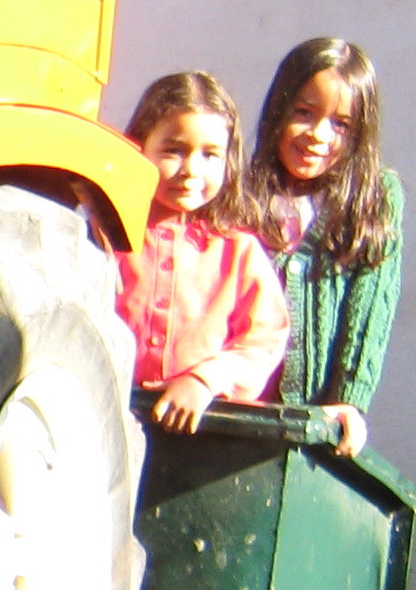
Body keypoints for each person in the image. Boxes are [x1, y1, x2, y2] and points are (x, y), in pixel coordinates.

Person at [244, 36, 403, 457]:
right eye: (304, 113)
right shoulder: (243, 193)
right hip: (240, 412)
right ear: (278, 109)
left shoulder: (374, 198)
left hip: (313, 423)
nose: (318, 135)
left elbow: (370, 310)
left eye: (340, 124)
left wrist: (349, 399)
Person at [114, 72, 288, 432]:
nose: (191, 170)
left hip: (204, 434)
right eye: (173, 151)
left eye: (210, 155)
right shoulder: (106, 239)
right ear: (139, 146)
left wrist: (205, 381)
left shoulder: (239, 252)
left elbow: (264, 340)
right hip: (109, 420)